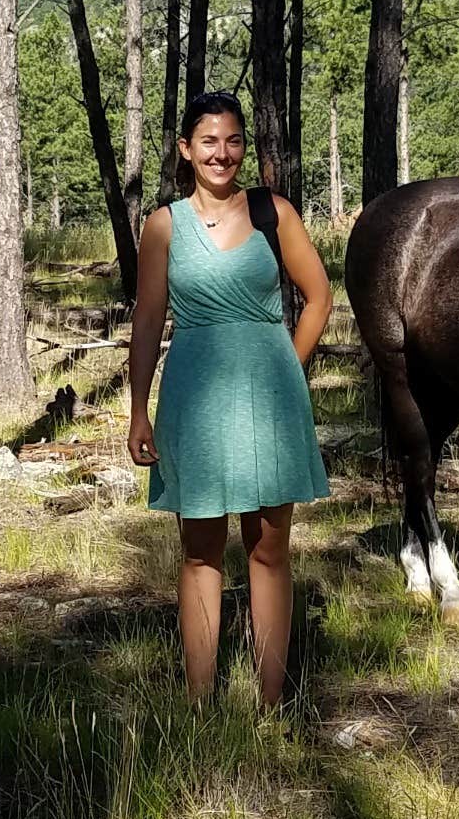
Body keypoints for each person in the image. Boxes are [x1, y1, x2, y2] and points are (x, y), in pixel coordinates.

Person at [127, 92, 333, 708]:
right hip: (195, 398)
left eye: (234, 140)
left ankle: (271, 705)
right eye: (209, 141)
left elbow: (319, 295)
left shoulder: (275, 213)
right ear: (186, 150)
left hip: (271, 400)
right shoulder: (163, 226)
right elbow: (146, 321)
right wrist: (138, 409)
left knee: (269, 547)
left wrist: (287, 370)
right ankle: (199, 706)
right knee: (201, 550)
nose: (223, 153)